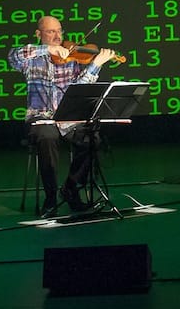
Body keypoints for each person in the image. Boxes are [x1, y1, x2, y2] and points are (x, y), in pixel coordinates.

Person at [8, 16, 116, 216]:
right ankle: (50, 196)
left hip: (68, 118)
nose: (58, 36)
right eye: (51, 32)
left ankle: (71, 189)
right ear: (39, 34)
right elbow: (13, 56)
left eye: (59, 31)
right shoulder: (31, 59)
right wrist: (47, 49)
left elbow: (81, 87)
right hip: (40, 117)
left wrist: (97, 64)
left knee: (91, 138)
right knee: (47, 137)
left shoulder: (72, 57)